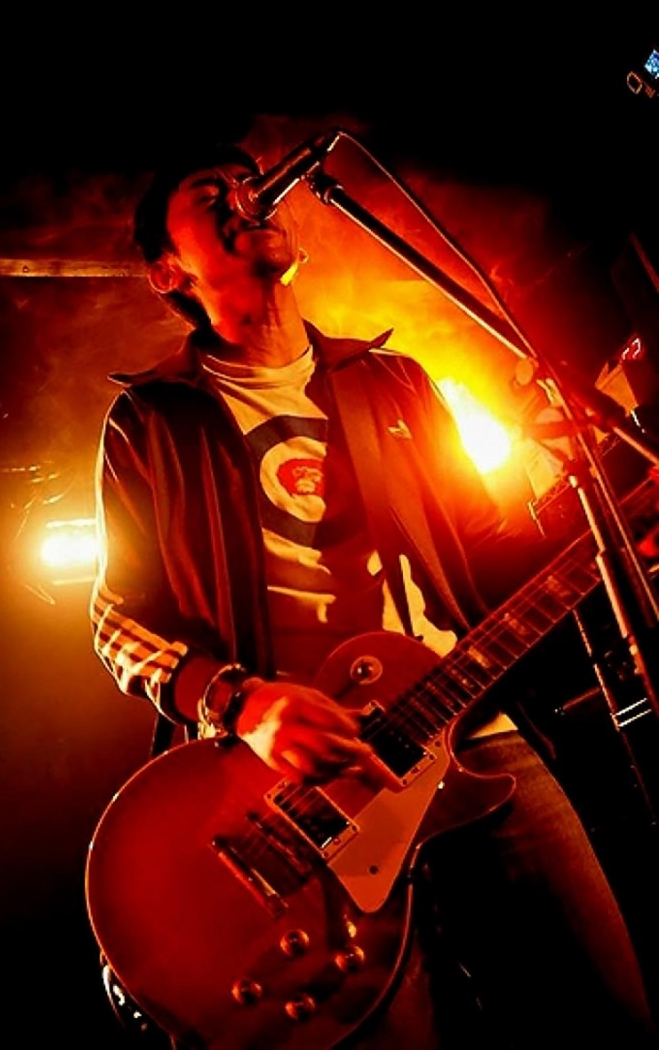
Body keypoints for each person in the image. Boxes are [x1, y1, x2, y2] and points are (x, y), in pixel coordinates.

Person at [87, 137, 658, 1049]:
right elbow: (118, 619)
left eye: (250, 182)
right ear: (167, 271)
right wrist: (244, 703)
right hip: (290, 795)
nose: (247, 195)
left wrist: (616, 531)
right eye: (212, 195)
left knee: (608, 1013)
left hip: (474, 736)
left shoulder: (393, 380)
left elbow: (486, 550)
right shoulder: (151, 420)